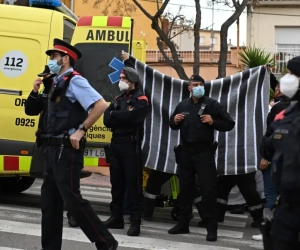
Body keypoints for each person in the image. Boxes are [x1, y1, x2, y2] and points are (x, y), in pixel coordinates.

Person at [40, 38, 117, 250]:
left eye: (54, 57)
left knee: (73, 202)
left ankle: (106, 243)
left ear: (65, 59)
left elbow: (100, 105)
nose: (51, 61)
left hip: (66, 149)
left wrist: (81, 129)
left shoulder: (75, 80)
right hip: (52, 148)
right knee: (49, 203)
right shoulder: (56, 81)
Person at [168, 75, 235, 242]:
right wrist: (175, 121)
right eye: (195, 85)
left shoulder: (212, 105)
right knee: (185, 190)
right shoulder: (183, 105)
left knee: (208, 191)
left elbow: (229, 123)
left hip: (204, 153)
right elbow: (172, 124)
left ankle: (211, 227)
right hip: (185, 154)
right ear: (189, 88)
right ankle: (183, 223)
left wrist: (213, 122)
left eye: (201, 84)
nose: (198, 87)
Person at [24, 65, 78, 228]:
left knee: (67, 181)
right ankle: (54, 214)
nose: (44, 79)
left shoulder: (65, 92)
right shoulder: (45, 93)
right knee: (50, 181)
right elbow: (30, 110)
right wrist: (34, 92)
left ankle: (73, 214)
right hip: (47, 143)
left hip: (62, 143)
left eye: (47, 76)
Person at [103, 63, 149, 237]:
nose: (120, 81)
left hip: (131, 146)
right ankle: (116, 218)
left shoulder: (141, 99)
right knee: (117, 184)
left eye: (123, 79)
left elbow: (134, 117)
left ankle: (135, 222)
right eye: (121, 78)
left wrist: (117, 116)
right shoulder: (118, 98)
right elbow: (107, 120)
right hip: (116, 145)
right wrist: (119, 116)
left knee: (133, 185)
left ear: (132, 81)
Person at [261, 56, 300, 250]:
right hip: (287, 206)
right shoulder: (286, 113)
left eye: (294, 75)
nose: (288, 79)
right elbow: (269, 144)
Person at [252, 81, 291, 241]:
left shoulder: (278, 108)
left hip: (275, 157)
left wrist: (266, 157)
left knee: (271, 193)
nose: (275, 90)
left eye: (276, 88)